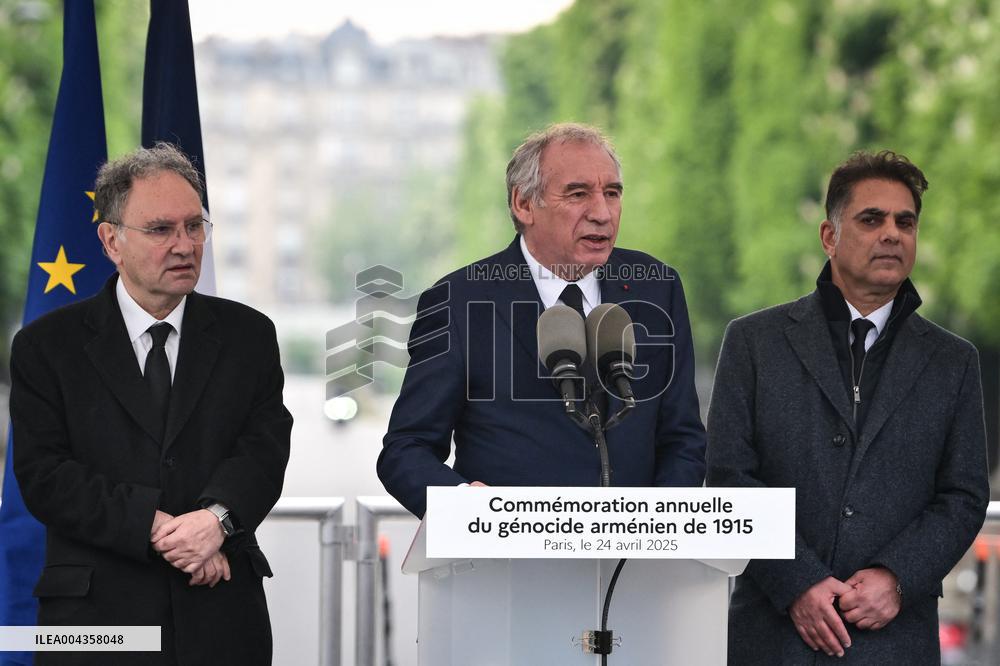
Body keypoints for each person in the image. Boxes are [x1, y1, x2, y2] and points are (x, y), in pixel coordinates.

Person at [10, 143, 292, 665]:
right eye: (161, 230)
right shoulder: (47, 346)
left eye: (194, 226)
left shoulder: (249, 335)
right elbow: (44, 475)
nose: (184, 245)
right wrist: (163, 529)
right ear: (111, 240)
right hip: (95, 624)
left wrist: (216, 523)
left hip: (221, 615)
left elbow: (264, 450)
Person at [707, 150, 989, 664]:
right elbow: (729, 477)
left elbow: (964, 495)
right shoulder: (752, 342)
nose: (892, 234)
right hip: (772, 639)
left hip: (894, 639)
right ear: (828, 236)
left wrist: (897, 578)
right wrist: (798, 582)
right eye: (871, 219)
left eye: (905, 222)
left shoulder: (954, 362)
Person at [378, 122, 706, 518]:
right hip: (509, 567)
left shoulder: (657, 287)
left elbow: (683, 437)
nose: (601, 213)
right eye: (578, 193)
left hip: (636, 567)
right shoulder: (458, 302)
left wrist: (660, 523)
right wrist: (466, 504)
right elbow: (406, 449)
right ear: (524, 204)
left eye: (612, 193)